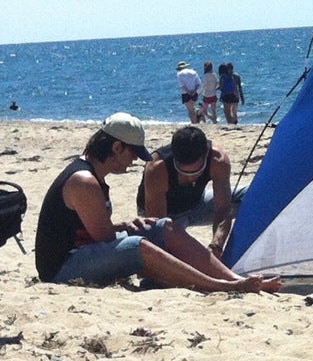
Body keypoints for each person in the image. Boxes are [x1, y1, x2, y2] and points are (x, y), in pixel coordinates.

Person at [34, 112, 280, 293]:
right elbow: (103, 238)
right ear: (117, 147)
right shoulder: (84, 180)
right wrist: (125, 228)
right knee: (139, 245)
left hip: (84, 250)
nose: (134, 161)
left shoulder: (94, 176)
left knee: (165, 226)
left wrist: (127, 224)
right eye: (132, 153)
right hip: (63, 268)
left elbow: (97, 231)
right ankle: (221, 286)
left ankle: (231, 277)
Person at [136, 125, 245, 258]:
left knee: (250, 194)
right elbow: (159, 226)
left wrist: (216, 245)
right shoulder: (157, 167)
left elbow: (222, 208)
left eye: (196, 172)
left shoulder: (218, 160)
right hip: (167, 216)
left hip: (197, 204)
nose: (190, 177)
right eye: (182, 172)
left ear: (205, 155)